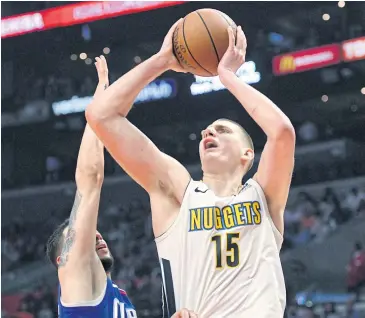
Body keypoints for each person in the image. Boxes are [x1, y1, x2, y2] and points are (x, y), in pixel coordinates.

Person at [86, 18, 295, 318]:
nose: (209, 133)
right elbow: (100, 116)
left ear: (247, 155)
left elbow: (282, 133)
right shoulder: (179, 193)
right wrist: (162, 60)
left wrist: (228, 77)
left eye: (222, 130)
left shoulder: (265, 196)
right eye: (207, 132)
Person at [46, 56, 197, 318]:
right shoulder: (74, 274)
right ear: (63, 259)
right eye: (84, 234)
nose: (96, 235)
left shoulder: (115, 296)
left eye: (92, 232)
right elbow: (90, 179)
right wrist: (98, 113)